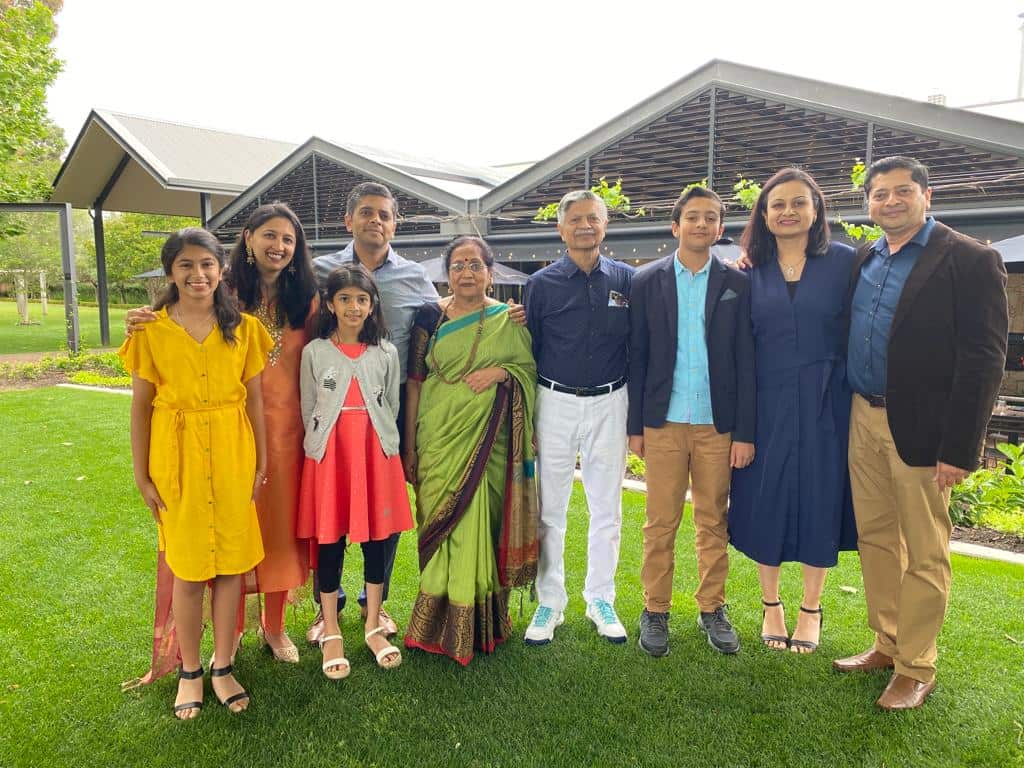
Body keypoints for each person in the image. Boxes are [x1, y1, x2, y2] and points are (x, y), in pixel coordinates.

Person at [834, 156, 1007, 709]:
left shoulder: (971, 259)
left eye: (902, 191)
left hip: (925, 431)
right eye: (879, 194)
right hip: (864, 415)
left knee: (925, 551)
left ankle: (917, 665)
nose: (890, 201)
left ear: (926, 195)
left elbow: (984, 360)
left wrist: (960, 447)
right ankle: (887, 643)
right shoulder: (866, 256)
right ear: (868, 203)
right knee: (877, 540)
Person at [126, 203, 319, 664]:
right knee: (218, 538)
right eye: (269, 236)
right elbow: (175, 318)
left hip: (288, 436)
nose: (278, 247)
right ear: (248, 239)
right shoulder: (222, 288)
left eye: (288, 240)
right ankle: (221, 643)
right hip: (220, 435)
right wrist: (141, 319)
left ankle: (275, 628)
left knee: (279, 536)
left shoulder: (307, 300)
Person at [120, 228, 272, 718]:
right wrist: (143, 475)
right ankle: (190, 671)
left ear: (221, 269)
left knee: (229, 566)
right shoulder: (151, 331)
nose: (197, 274)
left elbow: (255, 400)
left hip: (233, 454)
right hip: (177, 457)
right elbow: (141, 408)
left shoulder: (246, 329)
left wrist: (262, 460)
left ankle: (223, 666)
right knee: (187, 570)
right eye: (185, 265)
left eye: (206, 264)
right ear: (171, 272)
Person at [728, 168, 858, 654]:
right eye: (777, 204)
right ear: (763, 214)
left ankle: (811, 606)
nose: (787, 211)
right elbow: (739, 349)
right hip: (766, 400)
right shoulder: (747, 272)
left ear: (816, 209)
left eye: (797, 202)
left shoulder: (847, 263)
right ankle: (770, 604)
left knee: (820, 496)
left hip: (829, 398)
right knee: (767, 497)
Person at [308, 182, 440, 642]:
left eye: (384, 214)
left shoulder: (414, 277)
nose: (376, 221)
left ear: (394, 222)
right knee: (331, 505)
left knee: (383, 508)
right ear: (349, 221)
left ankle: (373, 604)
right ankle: (328, 605)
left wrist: (503, 312)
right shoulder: (319, 271)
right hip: (334, 409)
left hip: (391, 407)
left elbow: (443, 316)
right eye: (366, 212)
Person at [628, 186, 755, 657]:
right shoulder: (646, 281)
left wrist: (744, 432)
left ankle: (711, 608)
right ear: (675, 225)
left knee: (712, 521)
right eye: (693, 217)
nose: (701, 225)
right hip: (663, 422)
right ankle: (655, 609)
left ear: (721, 228)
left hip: (715, 425)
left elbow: (747, 361)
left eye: (711, 218)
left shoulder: (738, 284)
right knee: (660, 523)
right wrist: (636, 426)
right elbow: (636, 355)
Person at [402, 236, 538, 664]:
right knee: (440, 520)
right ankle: (435, 618)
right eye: (459, 265)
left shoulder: (508, 320)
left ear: (490, 274)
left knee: (481, 519)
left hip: (489, 442)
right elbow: (415, 382)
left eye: (475, 265)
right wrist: (410, 446)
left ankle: (480, 622)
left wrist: (501, 371)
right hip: (436, 434)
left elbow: (528, 373)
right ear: (447, 272)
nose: (466, 273)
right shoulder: (428, 316)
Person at [523, 190, 633, 646]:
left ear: (605, 225)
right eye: (576, 219)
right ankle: (551, 600)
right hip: (555, 400)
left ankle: (600, 597)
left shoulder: (628, 280)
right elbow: (528, 353)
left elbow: (638, 347)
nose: (586, 226)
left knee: (607, 506)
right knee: (551, 508)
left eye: (594, 218)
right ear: (561, 228)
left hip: (612, 400)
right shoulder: (541, 284)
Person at [297, 264, 413, 677]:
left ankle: (372, 623)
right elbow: (309, 405)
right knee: (330, 539)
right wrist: (321, 445)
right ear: (330, 303)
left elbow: (392, 407)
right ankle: (331, 629)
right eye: (344, 298)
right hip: (331, 456)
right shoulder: (315, 352)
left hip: (374, 454)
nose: (353, 306)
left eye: (361, 299)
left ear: (372, 305)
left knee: (377, 540)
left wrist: (380, 440)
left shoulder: (385, 351)